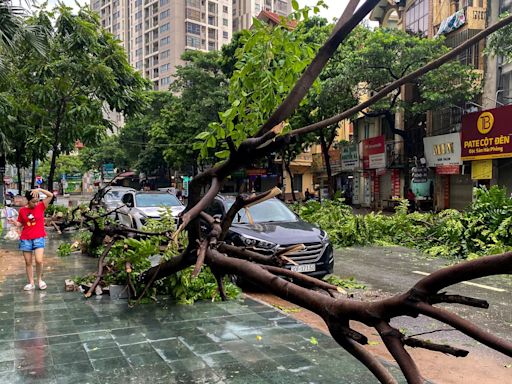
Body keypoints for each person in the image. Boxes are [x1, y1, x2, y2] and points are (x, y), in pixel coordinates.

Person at [8, 188, 53, 291]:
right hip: (26, 238)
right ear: (28, 200)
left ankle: (40, 280)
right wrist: (14, 222)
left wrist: (39, 189)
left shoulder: (41, 206)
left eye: (37, 201)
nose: (36, 203)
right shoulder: (23, 210)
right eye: (33, 202)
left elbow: (50, 195)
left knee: (39, 260)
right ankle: (31, 283)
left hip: (39, 237)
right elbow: (20, 223)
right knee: (28, 262)